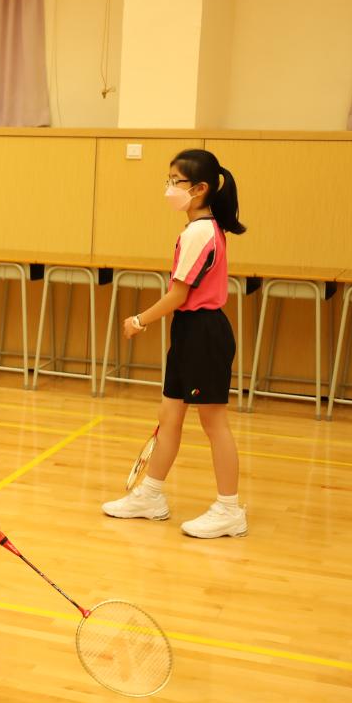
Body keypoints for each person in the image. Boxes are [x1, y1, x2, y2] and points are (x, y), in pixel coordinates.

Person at [103, 149, 248, 539]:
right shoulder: (198, 229)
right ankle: (151, 496)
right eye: (167, 180)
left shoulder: (201, 232)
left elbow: (179, 294)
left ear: (199, 189)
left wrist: (139, 320)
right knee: (169, 417)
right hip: (188, 332)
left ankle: (230, 510)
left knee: (214, 422)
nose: (169, 188)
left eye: (175, 181)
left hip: (204, 333)